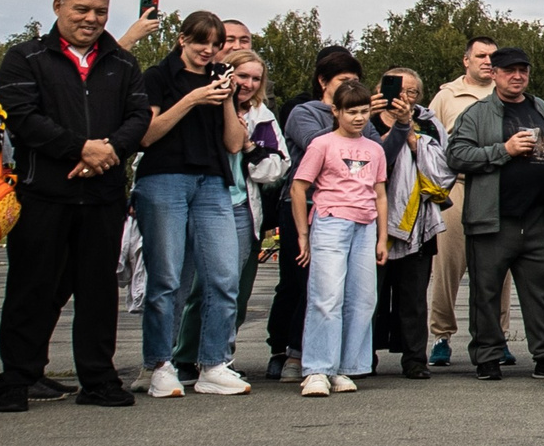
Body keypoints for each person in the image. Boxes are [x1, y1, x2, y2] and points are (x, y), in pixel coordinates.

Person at [0, 0, 149, 412]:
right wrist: (80, 148)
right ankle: (16, 381)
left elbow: (138, 116)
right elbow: (23, 117)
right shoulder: (26, 58)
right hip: (45, 193)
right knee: (31, 289)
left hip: (102, 195)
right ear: (59, 6)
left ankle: (98, 379)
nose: (90, 19)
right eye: (81, 9)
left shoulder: (121, 62)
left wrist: (110, 150)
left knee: (99, 291)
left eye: (99, 12)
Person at [130, 10, 251, 397]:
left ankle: (214, 363)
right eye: (202, 42)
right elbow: (147, 135)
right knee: (166, 278)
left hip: (213, 181)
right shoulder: (158, 76)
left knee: (223, 276)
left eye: (216, 45)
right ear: (182, 39)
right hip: (164, 177)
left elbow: (234, 144)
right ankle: (159, 364)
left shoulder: (219, 79)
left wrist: (227, 99)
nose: (209, 50)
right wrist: (193, 99)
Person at [444, 46, 544, 382]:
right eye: (509, 70)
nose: (517, 76)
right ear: (493, 73)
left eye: (523, 70)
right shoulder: (476, 114)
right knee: (486, 291)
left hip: (538, 216)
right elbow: (457, 155)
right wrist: (503, 150)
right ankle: (488, 357)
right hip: (493, 217)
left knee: (542, 290)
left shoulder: (539, 106)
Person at [175, 53, 286, 374]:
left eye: (255, 79)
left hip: (242, 208)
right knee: (200, 288)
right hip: (205, 204)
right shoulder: (206, 106)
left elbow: (275, 169)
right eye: (242, 76)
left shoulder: (263, 117)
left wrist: (250, 145)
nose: (248, 84)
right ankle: (185, 356)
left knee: (235, 290)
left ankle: (221, 356)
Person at [290, 77, 389, 398]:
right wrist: (303, 235)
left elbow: (381, 194)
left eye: (363, 111)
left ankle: (346, 367)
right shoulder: (322, 144)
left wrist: (382, 238)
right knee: (326, 296)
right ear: (336, 111)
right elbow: (299, 186)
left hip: (365, 227)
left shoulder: (374, 149)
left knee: (363, 299)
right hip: (330, 222)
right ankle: (317, 369)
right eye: (351, 112)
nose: (358, 118)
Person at [370, 70, 452, 381]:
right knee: (371, 294)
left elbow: (443, 169)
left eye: (412, 92)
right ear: (380, 90)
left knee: (414, 296)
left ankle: (415, 359)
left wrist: (416, 144)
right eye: (397, 89)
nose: (404, 97)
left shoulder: (429, 123)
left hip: (419, 219)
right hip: (374, 219)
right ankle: (364, 356)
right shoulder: (367, 120)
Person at [426, 36, 496, 369]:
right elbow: (427, 140)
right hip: (456, 185)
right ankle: (441, 336)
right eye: (480, 55)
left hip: (494, 186)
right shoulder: (447, 96)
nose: (487, 61)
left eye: (492, 56)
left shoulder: (506, 93)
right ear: (466, 60)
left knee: (498, 266)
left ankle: (496, 336)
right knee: (448, 263)